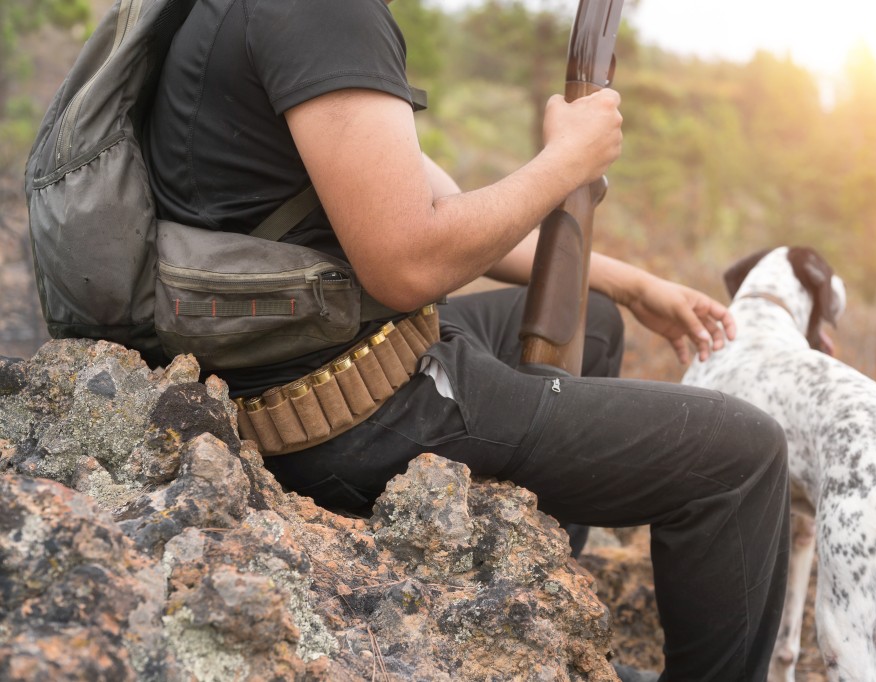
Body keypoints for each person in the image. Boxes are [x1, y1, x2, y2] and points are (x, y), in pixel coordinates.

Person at [143, 0, 790, 679]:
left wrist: (632, 284)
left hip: (324, 354)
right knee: (740, 459)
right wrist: (569, 160)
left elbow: (441, 205)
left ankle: (535, 616)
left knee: (596, 323)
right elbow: (410, 262)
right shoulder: (324, 11)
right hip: (353, 414)